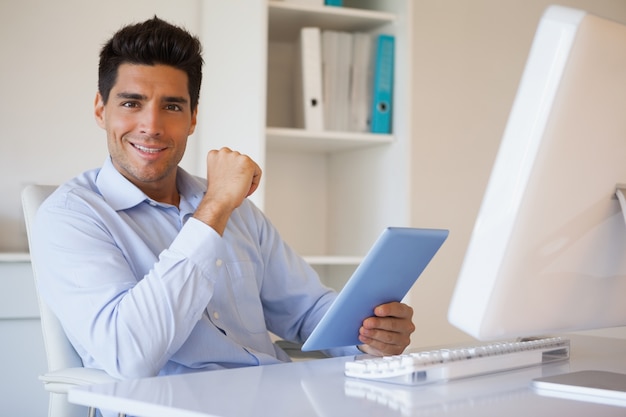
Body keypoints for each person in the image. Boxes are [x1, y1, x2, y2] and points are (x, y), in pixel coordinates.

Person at [31, 16, 415, 381]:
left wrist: (370, 337)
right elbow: (130, 353)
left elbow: (309, 311)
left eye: (172, 106)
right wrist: (213, 209)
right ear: (101, 110)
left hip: (275, 396)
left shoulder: (233, 206)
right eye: (131, 103)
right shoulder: (69, 218)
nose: (151, 126)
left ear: (193, 118)